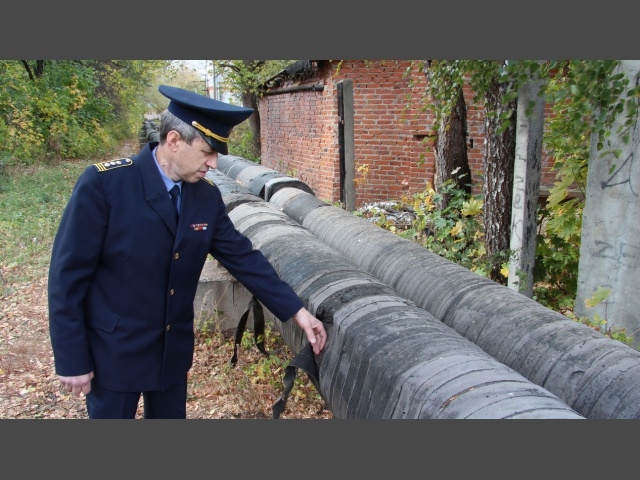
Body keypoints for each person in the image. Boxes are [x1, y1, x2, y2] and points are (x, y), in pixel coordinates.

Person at [48, 85, 327, 419]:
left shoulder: (204, 198)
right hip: (113, 353)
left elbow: (244, 258)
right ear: (174, 141)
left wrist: (297, 310)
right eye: (207, 151)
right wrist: (71, 358)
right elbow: (67, 277)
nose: (212, 163)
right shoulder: (106, 185)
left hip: (170, 353)